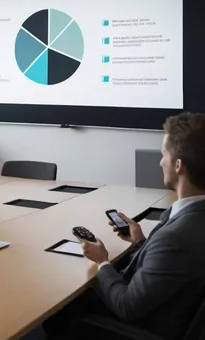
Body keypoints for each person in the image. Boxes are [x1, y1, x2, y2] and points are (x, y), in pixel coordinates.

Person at [44, 112, 205, 340]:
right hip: (168, 311)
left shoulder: (175, 239)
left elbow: (127, 306)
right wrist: (140, 243)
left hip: (142, 327)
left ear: (178, 165)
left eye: (164, 155)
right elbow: (167, 270)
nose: (160, 162)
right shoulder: (192, 218)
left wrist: (103, 262)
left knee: (59, 309)